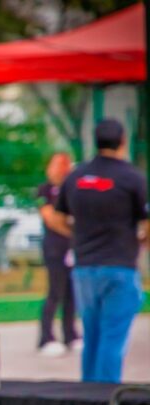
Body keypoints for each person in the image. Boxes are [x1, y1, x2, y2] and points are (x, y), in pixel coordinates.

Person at [55, 118, 148, 382]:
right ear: (123, 141)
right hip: (119, 266)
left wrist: (78, 234)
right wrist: (142, 241)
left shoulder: (76, 177)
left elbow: (57, 217)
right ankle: (106, 397)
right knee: (113, 338)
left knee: (92, 336)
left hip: (84, 268)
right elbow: (147, 220)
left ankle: (88, 396)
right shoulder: (132, 177)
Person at [36, 151, 79, 357]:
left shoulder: (72, 189)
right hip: (54, 247)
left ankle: (70, 334)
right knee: (55, 291)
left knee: (72, 293)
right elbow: (51, 218)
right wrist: (72, 230)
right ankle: (46, 337)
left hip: (73, 248)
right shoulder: (44, 190)